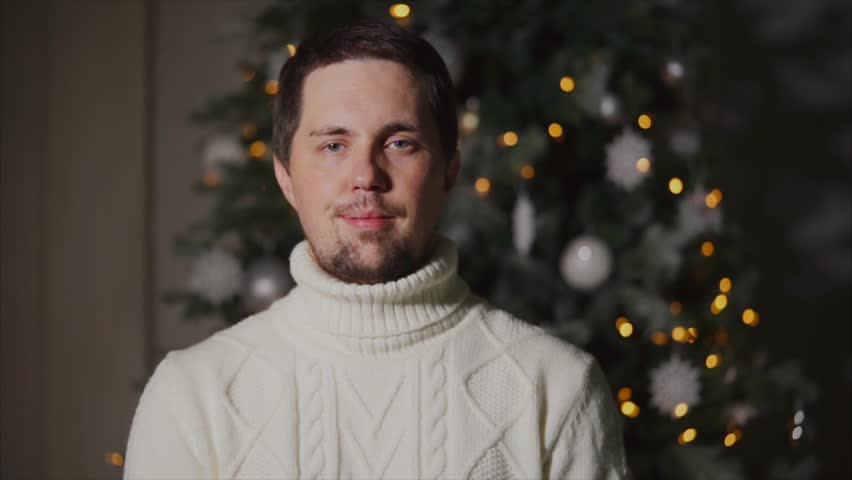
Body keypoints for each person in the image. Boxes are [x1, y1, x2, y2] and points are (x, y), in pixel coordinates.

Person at [124, 20, 629, 480]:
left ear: (450, 168)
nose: (365, 175)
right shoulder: (194, 397)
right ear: (285, 177)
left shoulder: (556, 388)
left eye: (399, 143)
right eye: (333, 146)